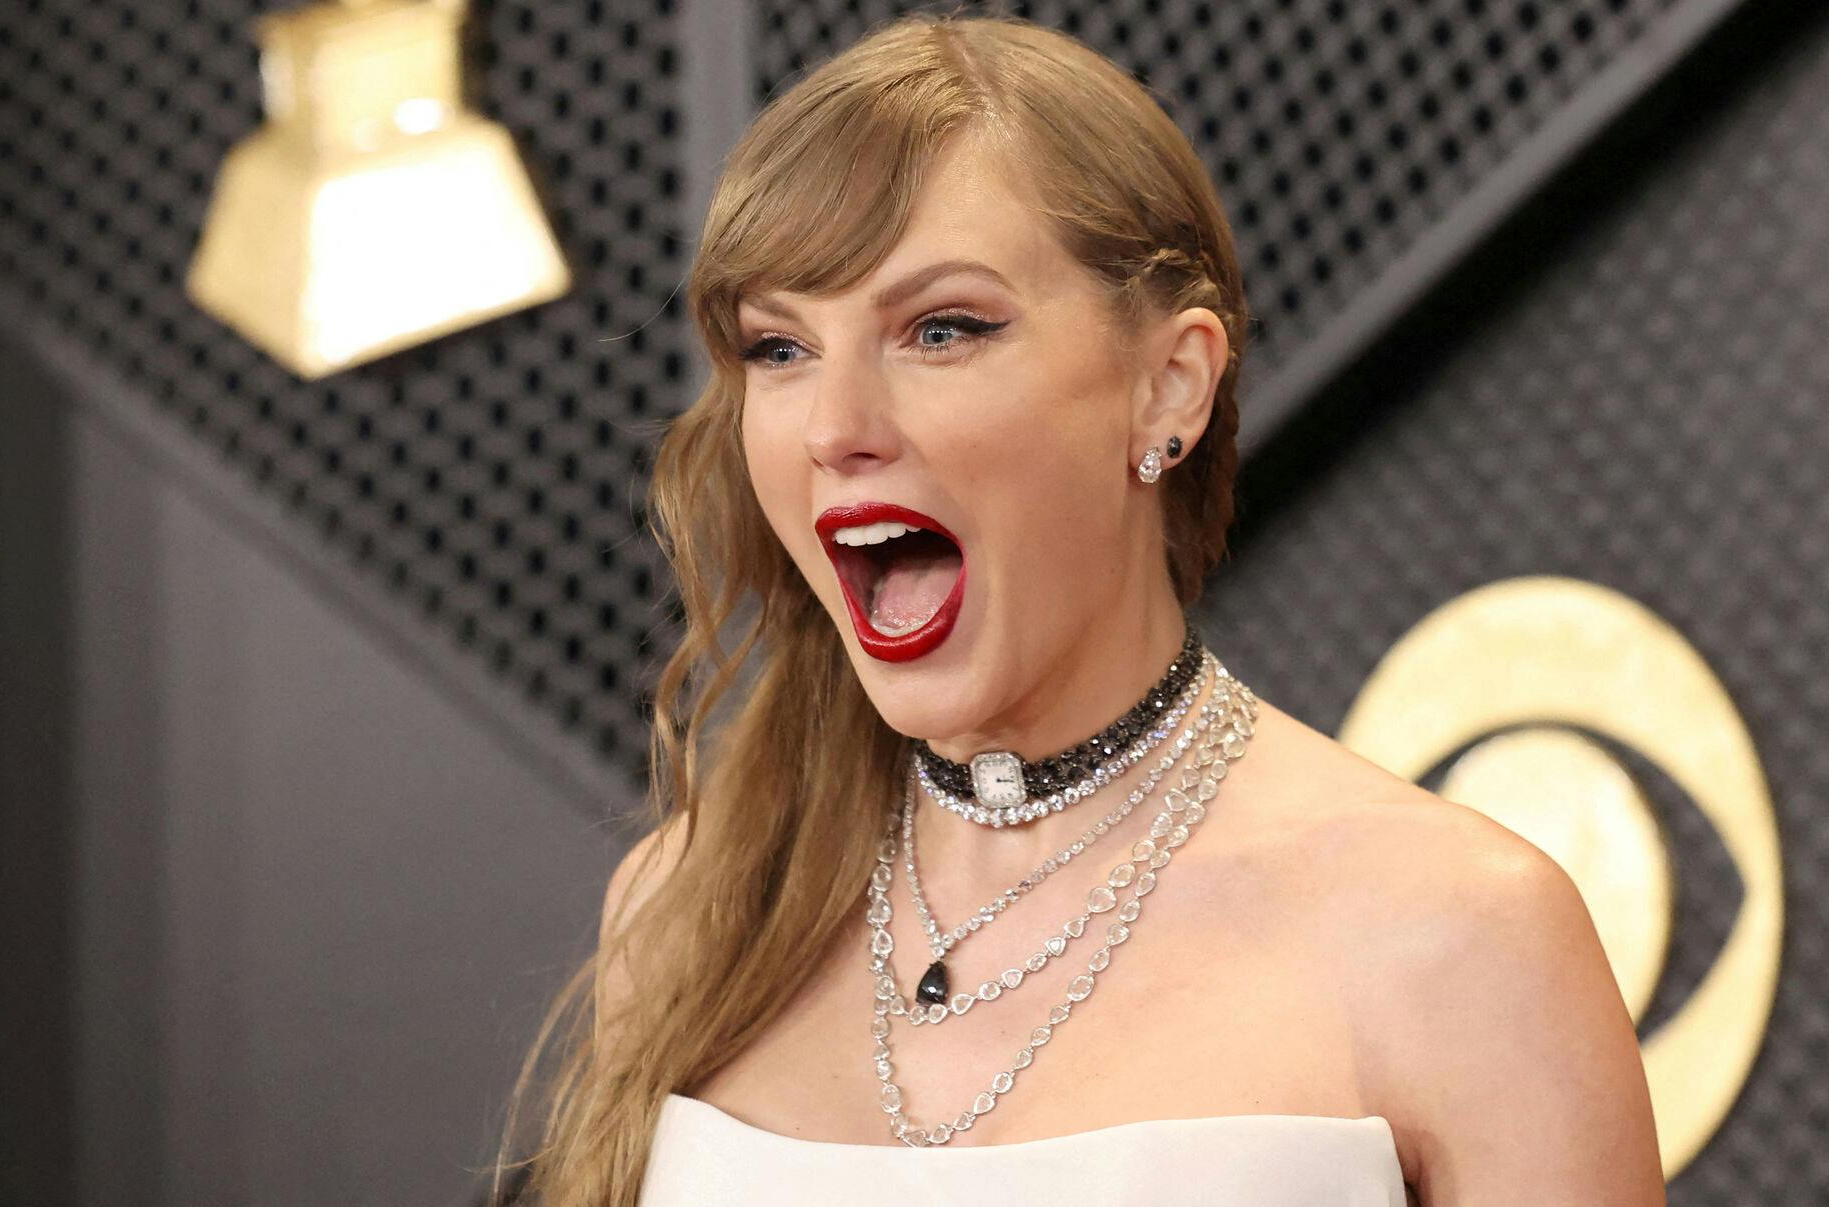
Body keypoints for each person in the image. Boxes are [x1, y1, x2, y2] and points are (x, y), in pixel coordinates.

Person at [493, 12, 1663, 1206]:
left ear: (1170, 385)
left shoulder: (1462, 938)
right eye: (779, 348)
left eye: (940, 329)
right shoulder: (688, 902)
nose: (837, 428)